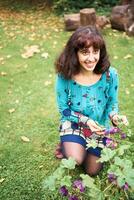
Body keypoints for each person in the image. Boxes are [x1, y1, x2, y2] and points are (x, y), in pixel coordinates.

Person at [55, 26, 128, 176]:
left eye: (95, 51)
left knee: (92, 171)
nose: (91, 58)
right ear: (74, 53)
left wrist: (114, 116)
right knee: (75, 159)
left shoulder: (110, 74)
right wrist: (86, 121)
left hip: (99, 126)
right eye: (85, 52)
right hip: (75, 121)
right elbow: (64, 109)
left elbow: (112, 103)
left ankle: (81, 145)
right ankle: (68, 144)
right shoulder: (65, 75)